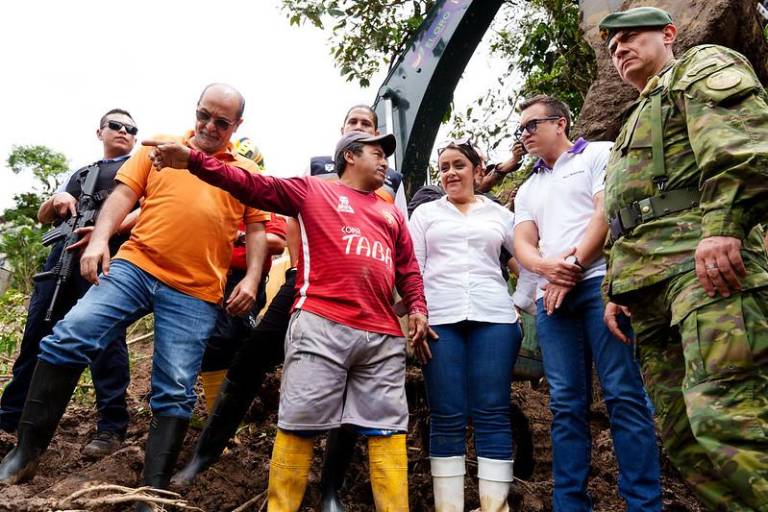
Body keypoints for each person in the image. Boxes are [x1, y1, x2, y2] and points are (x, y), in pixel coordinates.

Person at [0, 85, 270, 510]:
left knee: (176, 387)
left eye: (222, 122)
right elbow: (125, 195)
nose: (209, 127)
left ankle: (151, 491)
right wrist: (100, 239)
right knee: (70, 335)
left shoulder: (243, 173)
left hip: (196, 290)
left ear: (236, 126)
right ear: (195, 111)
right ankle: (24, 455)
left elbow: (257, 229)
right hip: (135, 267)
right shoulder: (158, 148)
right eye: (204, 115)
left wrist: (252, 279)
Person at [144, 130, 429, 512]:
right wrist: (193, 161)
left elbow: (408, 268)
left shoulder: (390, 211)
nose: (385, 163)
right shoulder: (312, 192)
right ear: (349, 156)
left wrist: (418, 308)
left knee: (389, 430)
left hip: (381, 336)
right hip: (322, 324)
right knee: (300, 422)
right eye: (377, 154)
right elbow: (250, 184)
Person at [598, 7, 768, 510]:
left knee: (731, 420)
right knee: (686, 441)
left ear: (669, 35)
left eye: (630, 38)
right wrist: (616, 288)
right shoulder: (634, 119)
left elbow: (744, 150)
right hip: (651, 297)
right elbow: (627, 212)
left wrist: (723, 229)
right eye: (612, 47)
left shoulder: (699, 67)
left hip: (708, 273)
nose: (619, 49)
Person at [513, 95, 661, 511]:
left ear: (560, 123)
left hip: (600, 287)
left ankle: (644, 503)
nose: (523, 134)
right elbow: (524, 241)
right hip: (552, 301)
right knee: (564, 403)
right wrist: (547, 268)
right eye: (520, 129)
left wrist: (572, 266)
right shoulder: (529, 187)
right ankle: (570, 503)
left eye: (531, 125)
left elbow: (605, 214)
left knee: (623, 393)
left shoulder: (599, 154)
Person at [0, 109, 138, 458]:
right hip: (58, 261)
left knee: (106, 343)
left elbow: (149, 209)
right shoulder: (81, 172)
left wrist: (110, 231)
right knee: (36, 339)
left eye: (131, 129)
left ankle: (111, 427)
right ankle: (8, 420)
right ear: (100, 132)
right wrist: (55, 198)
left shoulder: (140, 168)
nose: (124, 132)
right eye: (116, 126)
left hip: (105, 258)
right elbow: (43, 216)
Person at [409, 139, 523, 511]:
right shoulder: (425, 215)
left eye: (458, 165)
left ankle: (495, 506)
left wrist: (521, 301)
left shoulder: (500, 216)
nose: (450, 173)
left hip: (495, 318)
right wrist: (416, 312)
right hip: (439, 321)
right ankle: (450, 507)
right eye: (443, 167)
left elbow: (524, 261)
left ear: (477, 170)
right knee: (447, 413)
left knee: (492, 409)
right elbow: (413, 270)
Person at [196, 138, 287, 413]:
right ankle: (219, 414)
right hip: (210, 274)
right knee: (214, 342)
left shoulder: (264, 196)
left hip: (246, 277)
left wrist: (238, 237)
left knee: (231, 339)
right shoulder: (216, 191)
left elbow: (278, 241)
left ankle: (241, 403)